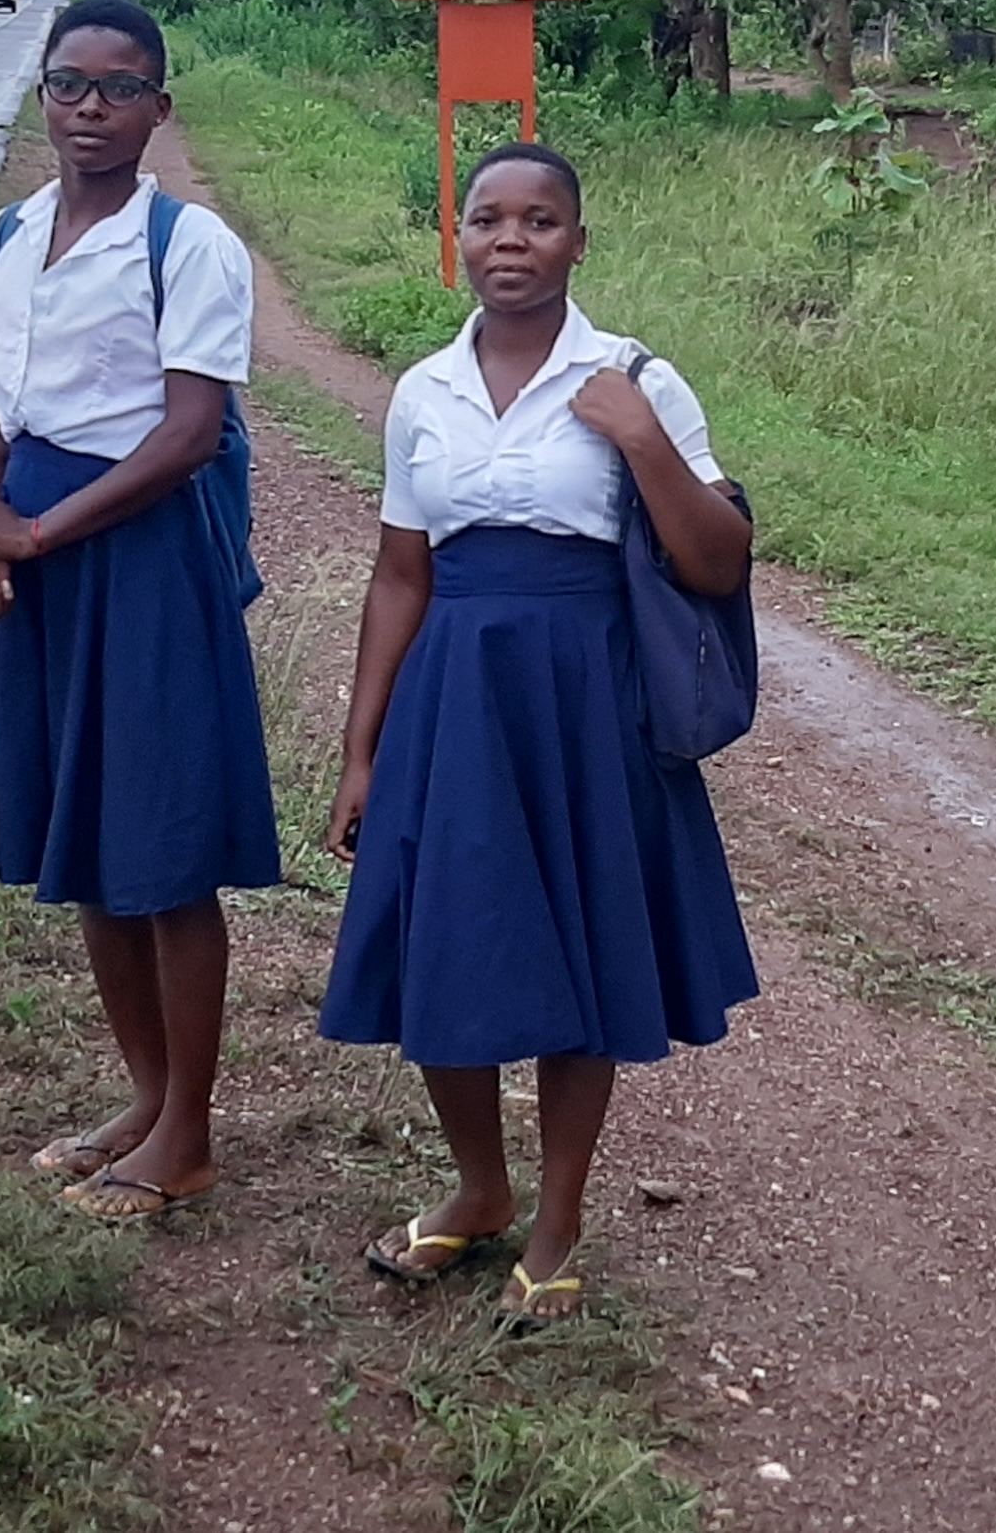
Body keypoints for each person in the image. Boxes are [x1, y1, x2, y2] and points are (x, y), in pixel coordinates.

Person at [320, 142, 759, 1325]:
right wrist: (363, 748)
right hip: (453, 696)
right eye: (487, 221)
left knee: (581, 944)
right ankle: (478, 1189)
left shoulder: (633, 379)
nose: (510, 241)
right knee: (443, 942)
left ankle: (557, 1220)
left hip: (585, 702)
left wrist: (641, 440)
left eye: (539, 221)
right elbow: (399, 577)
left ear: (578, 240)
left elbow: (716, 561)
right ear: (457, 238)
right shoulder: (424, 389)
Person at [0, 0, 274, 1222]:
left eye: (120, 88)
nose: (91, 107)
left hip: (136, 554)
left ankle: (188, 1130)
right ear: (42, 94)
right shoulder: (7, 238)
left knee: (163, 838)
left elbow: (189, 434)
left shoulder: (187, 246)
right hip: (34, 550)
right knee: (85, 830)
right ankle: (144, 1095)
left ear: (158, 109)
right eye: (70, 82)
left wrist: (35, 528)